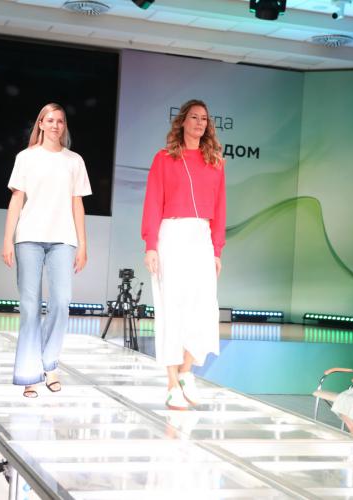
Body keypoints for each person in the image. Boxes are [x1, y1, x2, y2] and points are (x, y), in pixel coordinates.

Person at [1, 103, 92, 398]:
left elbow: (78, 204)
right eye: (50, 120)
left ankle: (49, 363)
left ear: (64, 126)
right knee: (30, 308)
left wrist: (83, 244)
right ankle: (30, 374)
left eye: (60, 121)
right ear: (40, 123)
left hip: (63, 239)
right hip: (29, 237)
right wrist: (7, 240)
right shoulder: (26, 158)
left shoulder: (74, 161)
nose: (55, 125)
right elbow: (17, 199)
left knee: (62, 302)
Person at [141, 99, 226, 410]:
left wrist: (217, 249)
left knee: (203, 307)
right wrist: (151, 245)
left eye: (204, 118)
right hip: (172, 235)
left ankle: (187, 371)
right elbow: (153, 202)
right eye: (194, 117)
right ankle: (171, 383)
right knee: (172, 308)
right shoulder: (164, 158)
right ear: (183, 122)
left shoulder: (215, 161)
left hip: (201, 237)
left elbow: (220, 208)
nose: (200, 123)